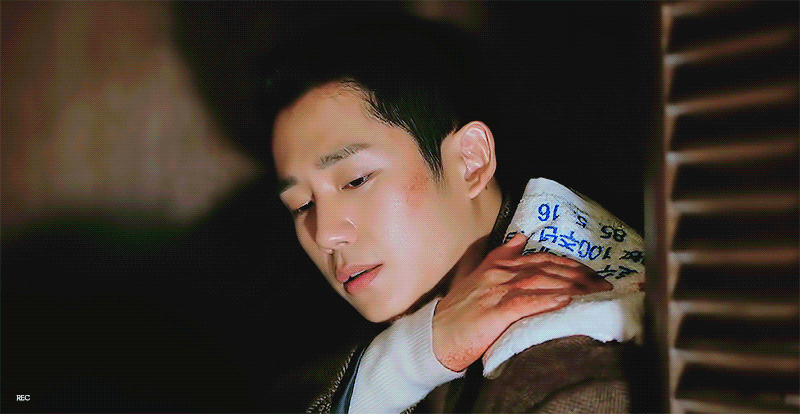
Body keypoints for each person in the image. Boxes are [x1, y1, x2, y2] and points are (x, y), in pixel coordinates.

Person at [255, 15, 644, 413]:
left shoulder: (570, 374)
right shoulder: (346, 335)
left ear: (471, 161)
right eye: (301, 205)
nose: (325, 234)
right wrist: (413, 356)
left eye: (355, 180)